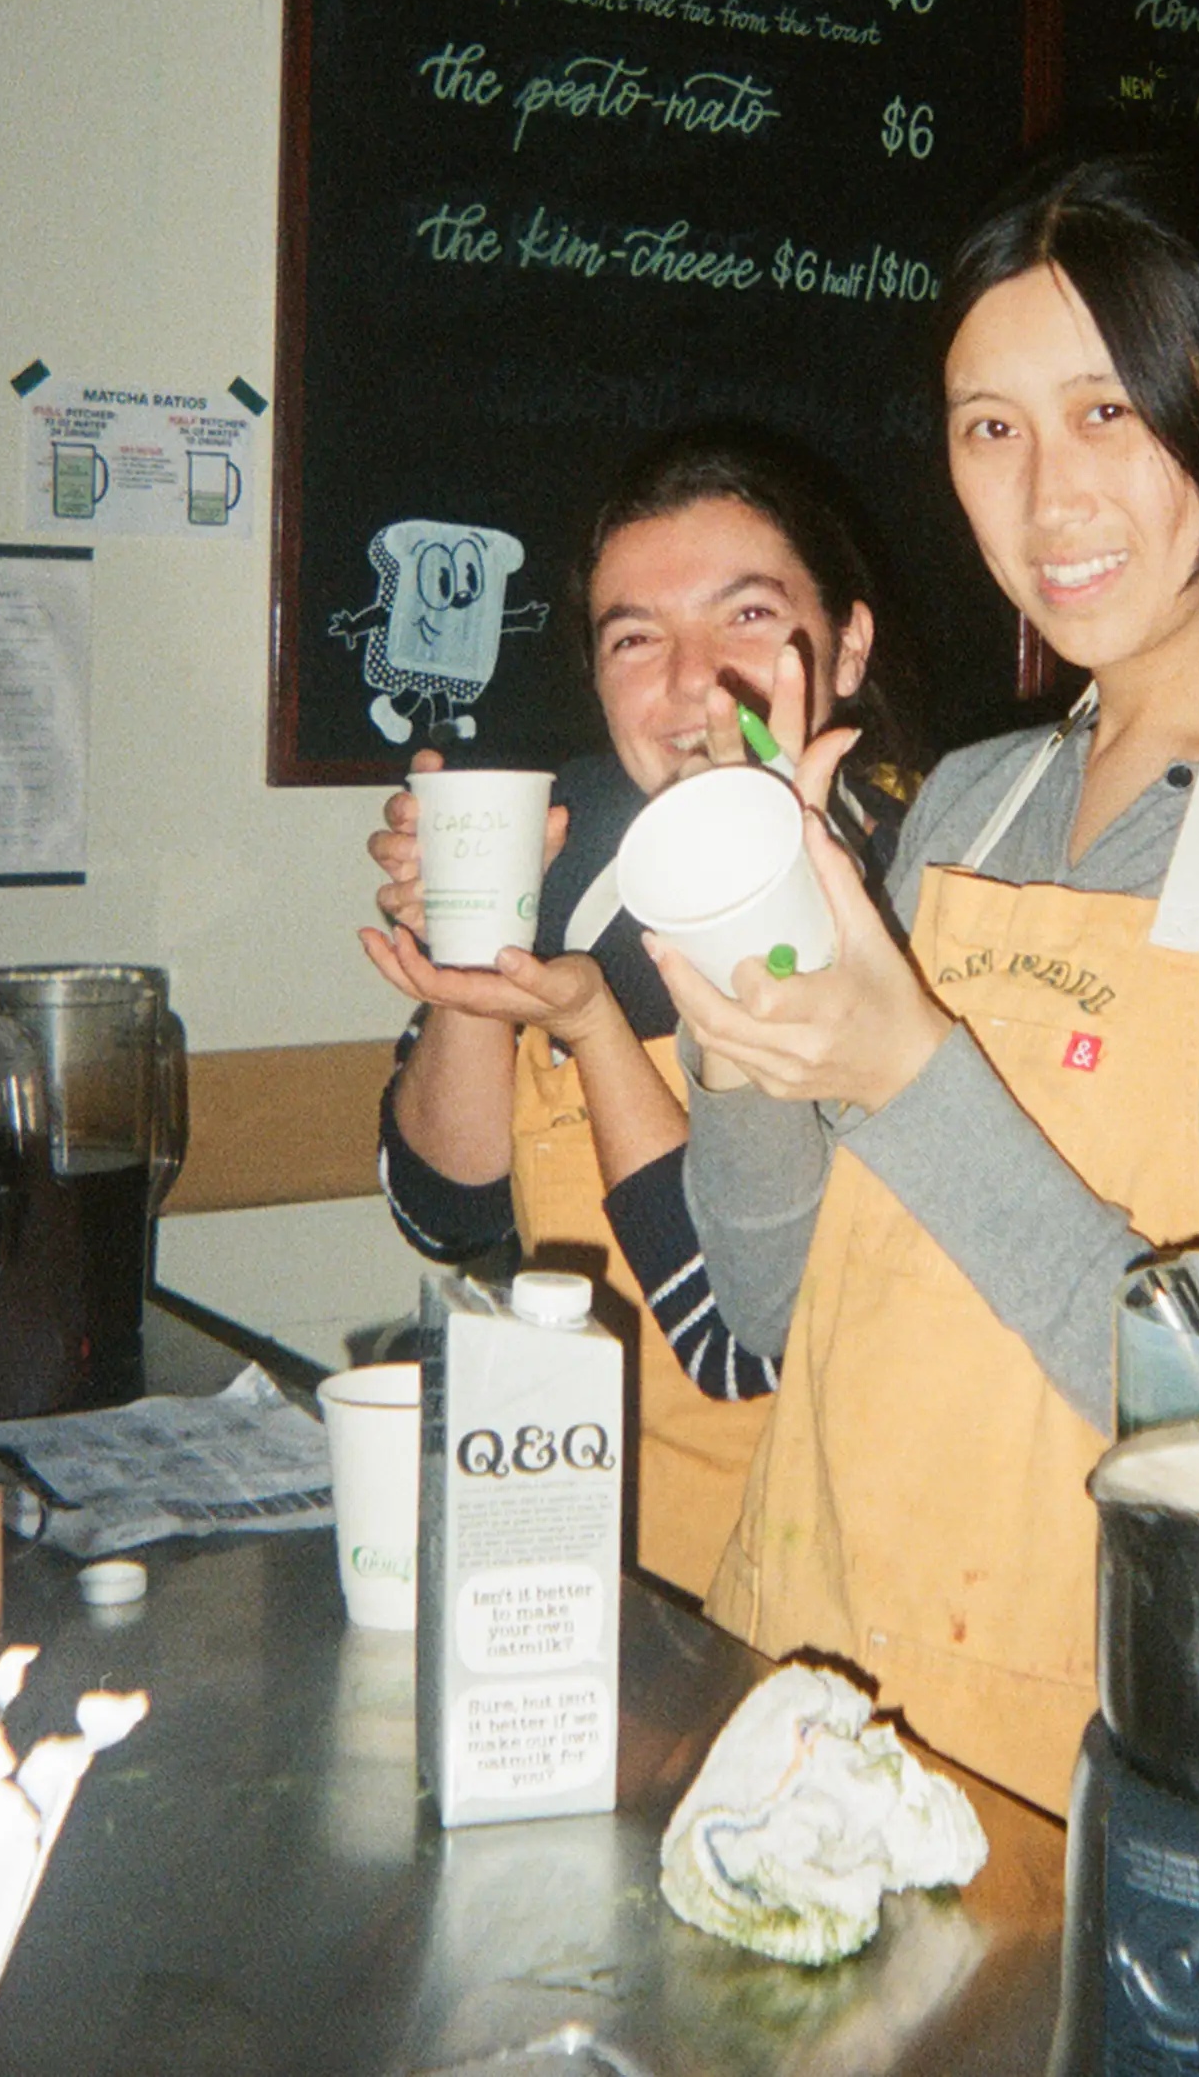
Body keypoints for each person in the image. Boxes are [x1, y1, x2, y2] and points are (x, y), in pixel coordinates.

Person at [656, 143, 1199, 1815]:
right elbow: (773, 1316)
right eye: (992, 427)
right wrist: (751, 1020)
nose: (1048, 498)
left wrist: (908, 1074)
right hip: (798, 1690)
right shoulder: (970, 801)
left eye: (1109, 410)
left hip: (1084, 1769)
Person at [362, 424, 911, 1598]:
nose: (689, 682)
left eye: (748, 617)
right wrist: (478, 951)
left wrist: (591, 1030)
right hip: (572, 1551)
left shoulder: (916, 890)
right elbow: (445, 1210)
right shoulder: (576, 837)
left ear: (848, 645)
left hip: (816, 1588)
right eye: (633, 637)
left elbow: (740, 1343)